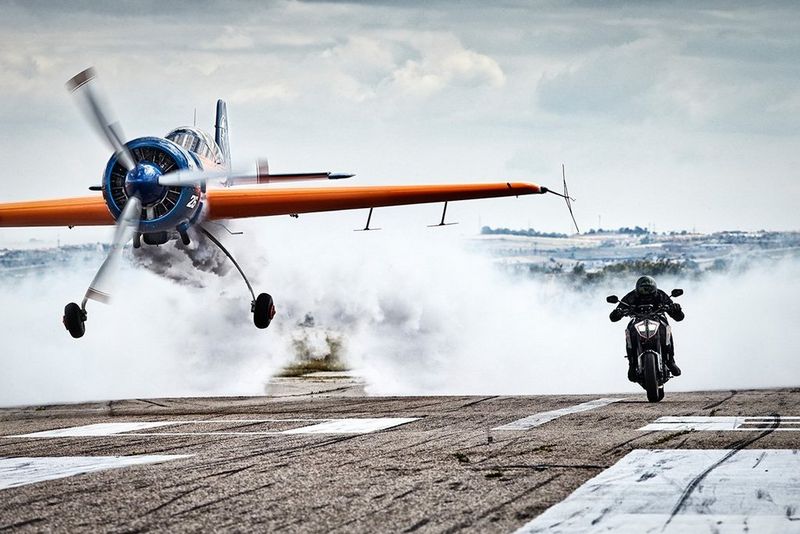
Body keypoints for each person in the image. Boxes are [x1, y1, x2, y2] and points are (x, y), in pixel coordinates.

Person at [609, 275, 684, 381]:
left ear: (654, 288)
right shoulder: (631, 296)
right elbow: (613, 317)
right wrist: (618, 312)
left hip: (657, 319)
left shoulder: (661, 295)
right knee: (629, 330)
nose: (646, 291)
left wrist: (676, 309)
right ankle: (632, 364)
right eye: (643, 288)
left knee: (666, 328)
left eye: (648, 288)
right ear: (638, 288)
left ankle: (670, 361)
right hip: (638, 321)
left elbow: (679, 317)